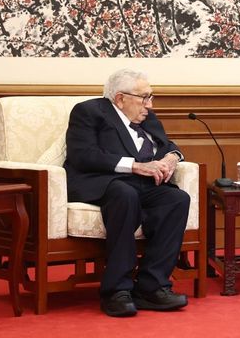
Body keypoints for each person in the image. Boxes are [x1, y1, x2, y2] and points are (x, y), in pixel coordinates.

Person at [64, 69, 190, 317]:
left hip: (141, 184)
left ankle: (152, 287)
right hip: (103, 182)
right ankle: (116, 290)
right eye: (144, 97)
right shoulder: (89, 112)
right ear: (120, 99)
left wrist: (172, 158)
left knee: (176, 199)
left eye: (151, 97)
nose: (149, 105)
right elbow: (83, 155)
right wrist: (134, 165)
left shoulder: (146, 118)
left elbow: (168, 145)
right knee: (125, 194)